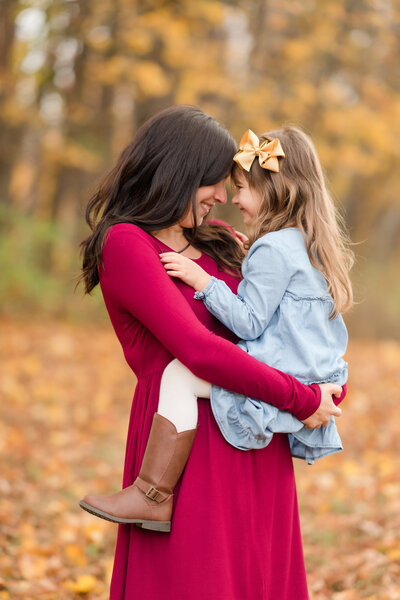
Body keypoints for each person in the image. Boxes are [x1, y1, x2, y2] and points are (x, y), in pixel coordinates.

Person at [78, 106, 344, 600]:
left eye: (230, 184)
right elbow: (199, 352)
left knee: (259, 580)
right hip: (187, 453)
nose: (223, 196)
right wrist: (301, 399)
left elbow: (293, 325)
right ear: (177, 172)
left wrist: (328, 384)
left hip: (255, 432)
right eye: (212, 182)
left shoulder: (223, 242)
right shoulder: (128, 245)